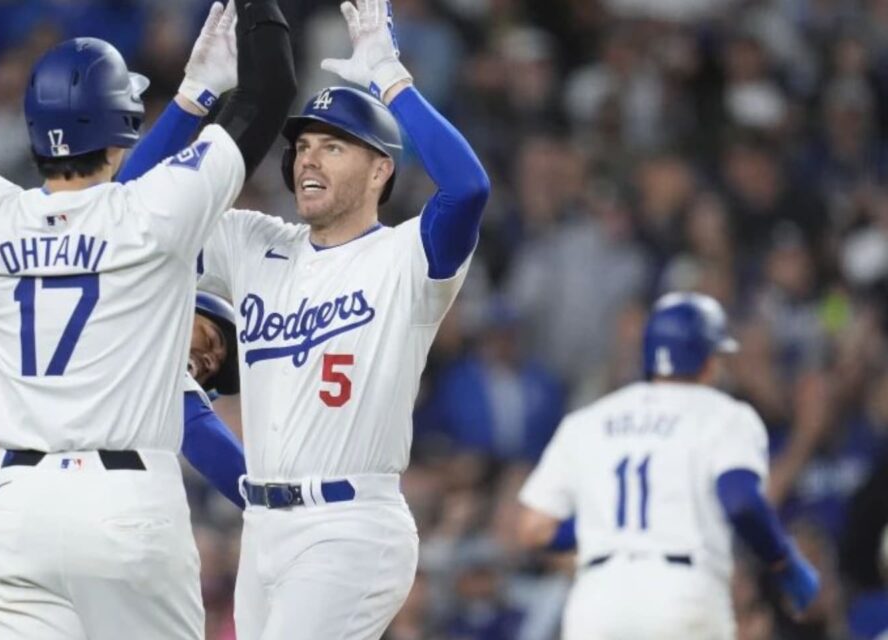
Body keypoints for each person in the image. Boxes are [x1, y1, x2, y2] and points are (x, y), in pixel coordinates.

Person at [0, 0, 295, 633]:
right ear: (122, 130)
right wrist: (254, 15)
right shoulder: (151, 214)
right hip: (125, 502)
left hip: (17, 507)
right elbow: (270, 91)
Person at [191, 0, 490, 637]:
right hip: (263, 526)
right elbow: (137, 222)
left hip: (350, 525)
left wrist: (390, 76)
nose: (308, 159)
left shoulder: (405, 256)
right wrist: (196, 101)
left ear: (382, 168)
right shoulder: (252, 242)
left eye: (333, 146)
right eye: (302, 146)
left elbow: (468, 189)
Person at [0, 294, 249, 640]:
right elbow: (199, 432)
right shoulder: (144, 354)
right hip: (121, 524)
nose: (209, 360)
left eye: (214, 368)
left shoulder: (50, 404)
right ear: (174, 311)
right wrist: (278, 507)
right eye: (209, 338)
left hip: (20, 515)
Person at [515, 292, 821, 639]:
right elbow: (741, 501)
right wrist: (784, 561)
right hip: (682, 594)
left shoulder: (587, 421)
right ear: (708, 361)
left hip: (597, 600)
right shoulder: (725, 415)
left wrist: (611, 531)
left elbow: (533, 529)